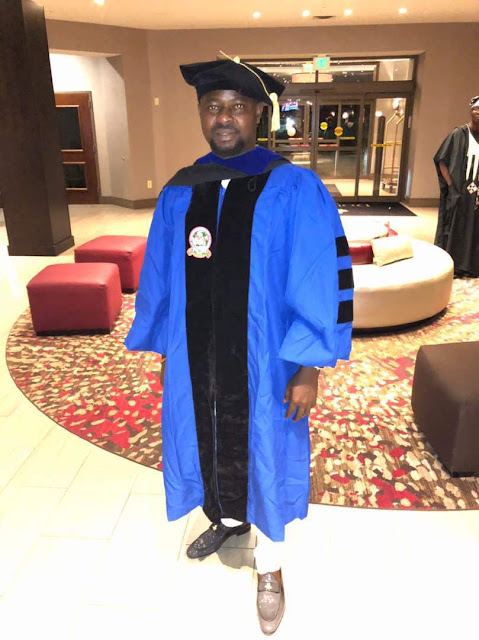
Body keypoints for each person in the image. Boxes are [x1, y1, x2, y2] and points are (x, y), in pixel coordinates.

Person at [124, 55, 353, 635]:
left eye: (236, 107)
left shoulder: (294, 187)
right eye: (212, 107)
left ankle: (270, 564)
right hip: (197, 356)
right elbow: (161, 277)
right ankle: (227, 519)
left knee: (266, 450)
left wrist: (309, 367)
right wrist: (167, 351)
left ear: (257, 115)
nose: (223, 117)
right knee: (204, 433)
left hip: (266, 361)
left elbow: (319, 278)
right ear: (201, 115)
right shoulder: (182, 189)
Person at [434, 95, 479, 277]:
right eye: (475, 109)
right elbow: (441, 159)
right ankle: (455, 265)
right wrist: (452, 184)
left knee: (474, 227)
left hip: (476, 193)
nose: (478, 112)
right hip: (460, 191)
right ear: (470, 110)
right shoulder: (459, 134)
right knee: (456, 226)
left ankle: (472, 266)